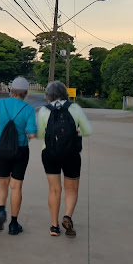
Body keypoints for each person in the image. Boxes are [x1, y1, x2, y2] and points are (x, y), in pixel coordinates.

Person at [0, 76, 37, 235]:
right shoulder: (28, 109)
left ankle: (1, 210)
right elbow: (32, 133)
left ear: (11, 90)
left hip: (1, 149)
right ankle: (13, 224)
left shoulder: (1, 103)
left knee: (2, 182)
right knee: (16, 186)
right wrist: (26, 136)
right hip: (20, 150)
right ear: (26, 92)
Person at [36, 81, 93, 238]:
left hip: (50, 154)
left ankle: (54, 226)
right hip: (71, 154)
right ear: (65, 93)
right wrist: (76, 132)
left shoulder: (44, 110)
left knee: (54, 190)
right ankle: (67, 216)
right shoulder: (75, 108)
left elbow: (40, 135)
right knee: (71, 189)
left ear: (48, 95)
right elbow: (88, 131)